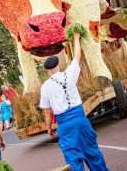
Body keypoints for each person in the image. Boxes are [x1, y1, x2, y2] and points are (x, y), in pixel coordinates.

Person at [40, 32, 108, 171]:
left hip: (64, 124)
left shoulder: (45, 86)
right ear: (58, 66)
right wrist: (76, 38)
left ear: (48, 71)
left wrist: (48, 127)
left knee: (73, 159)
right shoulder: (69, 74)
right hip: (80, 119)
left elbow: (47, 111)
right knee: (93, 153)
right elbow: (77, 56)